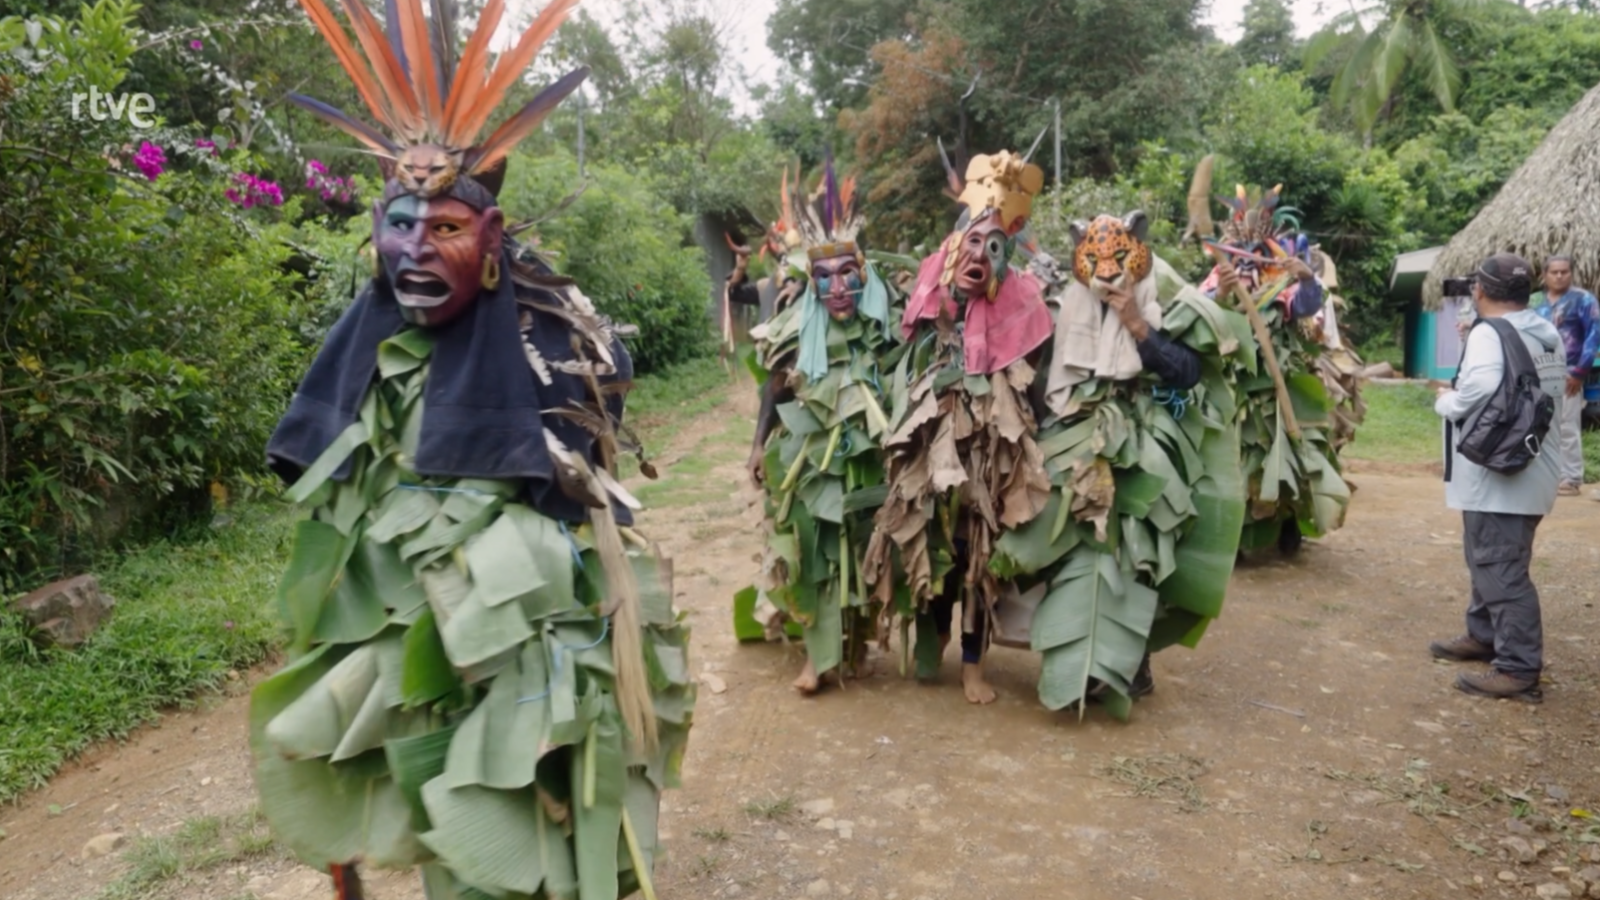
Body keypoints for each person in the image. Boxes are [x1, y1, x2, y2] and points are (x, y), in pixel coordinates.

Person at [254, 1, 693, 898]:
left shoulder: (547, 329)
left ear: (491, 239)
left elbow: (602, 408)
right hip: (401, 616)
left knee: (532, 802)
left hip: (525, 624)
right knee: (431, 800)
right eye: (400, 224)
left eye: (446, 227)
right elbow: (338, 479)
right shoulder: (367, 343)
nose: (417, 247)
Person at [864, 149, 1056, 705]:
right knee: (930, 534)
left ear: (1006, 258)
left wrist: (1033, 445)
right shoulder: (934, 288)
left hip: (993, 448)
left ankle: (974, 663)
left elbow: (1034, 382)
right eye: (971, 242)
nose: (979, 255)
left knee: (978, 550)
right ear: (954, 247)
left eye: (993, 247)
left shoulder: (1023, 303)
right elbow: (910, 351)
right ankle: (935, 636)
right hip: (934, 440)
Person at [741, 163, 903, 694]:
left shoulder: (883, 326)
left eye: (847, 274)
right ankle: (817, 659)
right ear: (811, 281)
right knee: (815, 552)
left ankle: (855, 648)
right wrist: (758, 447)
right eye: (824, 278)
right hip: (812, 460)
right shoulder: (796, 325)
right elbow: (775, 388)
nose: (837, 288)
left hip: (868, 459)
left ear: (863, 273)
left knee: (863, 548)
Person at [1430, 253, 1565, 703]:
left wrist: (1448, 402)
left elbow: (1484, 386)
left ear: (1481, 290)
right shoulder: (1543, 331)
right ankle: (1484, 634)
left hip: (1499, 477)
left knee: (1500, 568)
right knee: (1491, 559)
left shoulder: (1491, 333)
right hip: (1529, 468)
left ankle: (1518, 668)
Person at [1530, 255, 1600, 495]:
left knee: (1567, 425)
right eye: (1554, 272)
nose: (1559, 276)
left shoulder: (1584, 299)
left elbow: (1593, 335)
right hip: (1537, 372)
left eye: (1564, 271)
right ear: (1545, 275)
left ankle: (1571, 478)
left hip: (1568, 374)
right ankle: (1547, 475)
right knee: (1538, 423)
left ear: (1571, 273)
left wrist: (1580, 372)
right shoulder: (1535, 302)